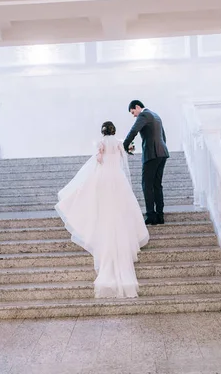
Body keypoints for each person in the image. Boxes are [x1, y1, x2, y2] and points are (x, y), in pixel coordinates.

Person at [55, 121, 149, 298]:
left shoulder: (101, 144)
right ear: (114, 131)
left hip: (104, 180)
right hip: (118, 180)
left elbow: (98, 160)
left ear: (103, 132)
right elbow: (123, 159)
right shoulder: (120, 144)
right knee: (121, 211)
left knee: (105, 210)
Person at [123, 100, 170, 225]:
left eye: (133, 112)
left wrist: (125, 145)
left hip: (152, 154)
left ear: (137, 107)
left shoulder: (144, 115)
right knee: (157, 185)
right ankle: (160, 216)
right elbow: (163, 136)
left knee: (147, 185)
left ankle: (151, 215)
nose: (134, 115)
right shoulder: (156, 115)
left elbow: (134, 131)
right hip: (162, 153)